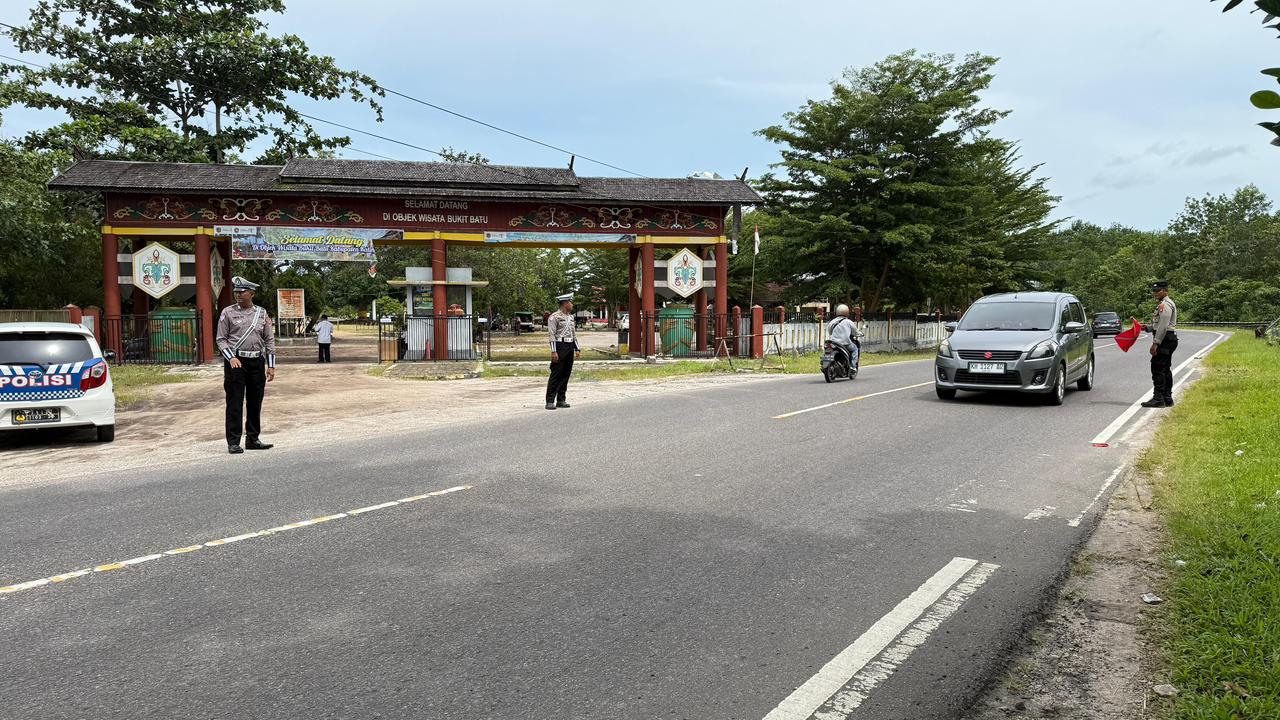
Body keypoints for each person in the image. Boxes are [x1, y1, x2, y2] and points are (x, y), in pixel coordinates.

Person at [216, 276, 276, 454]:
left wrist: (271, 365)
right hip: (236, 362)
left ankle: (253, 438)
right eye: (236, 291)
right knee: (234, 402)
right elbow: (221, 339)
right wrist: (230, 357)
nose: (238, 294)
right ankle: (233, 441)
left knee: (255, 401)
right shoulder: (227, 312)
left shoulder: (262, 313)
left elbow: (269, 340)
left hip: (256, 362)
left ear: (252, 294)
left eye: (242, 292)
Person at [1136, 280, 1178, 408]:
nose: (1155, 293)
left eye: (1158, 291)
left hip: (1165, 339)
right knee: (1165, 369)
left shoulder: (1164, 305)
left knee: (1158, 368)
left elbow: (1163, 326)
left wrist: (1155, 343)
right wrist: (1147, 328)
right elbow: (1159, 324)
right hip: (1168, 338)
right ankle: (1167, 398)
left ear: (1165, 290)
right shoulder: (1164, 304)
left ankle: (1159, 398)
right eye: (1153, 291)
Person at [546, 293, 580, 410]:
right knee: (556, 374)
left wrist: (577, 348)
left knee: (566, 374)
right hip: (560, 346)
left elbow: (573, 334)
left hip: (569, 346)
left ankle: (561, 399)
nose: (572, 304)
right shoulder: (554, 317)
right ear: (565, 303)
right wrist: (554, 351)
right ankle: (550, 400)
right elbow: (552, 335)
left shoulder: (571, 317)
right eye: (570, 302)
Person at [827, 304, 861, 371]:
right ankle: (853, 367)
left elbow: (830, 332)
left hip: (834, 343)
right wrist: (860, 334)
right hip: (845, 343)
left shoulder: (832, 322)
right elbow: (855, 332)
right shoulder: (848, 322)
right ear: (847, 312)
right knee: (855, 349)